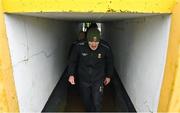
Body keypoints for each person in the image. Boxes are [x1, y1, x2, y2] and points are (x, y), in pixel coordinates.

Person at [67, 28, 113, 112]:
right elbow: (72, 61)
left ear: (99, 40)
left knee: (97, 100)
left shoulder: (105, 47)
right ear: (87, 40)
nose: (94, 44)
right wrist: (71, 74)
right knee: (86, 99)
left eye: (96, 42)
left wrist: (109, 76)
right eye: (91, 41)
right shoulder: (79, 46)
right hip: (83, 78)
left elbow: (110, 62)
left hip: (98, 79)